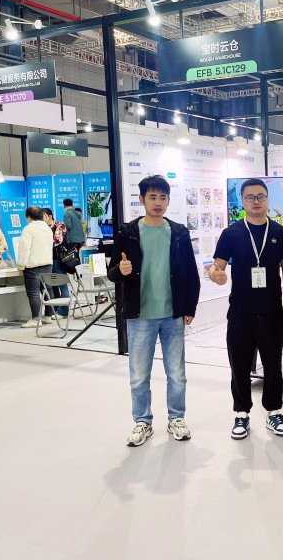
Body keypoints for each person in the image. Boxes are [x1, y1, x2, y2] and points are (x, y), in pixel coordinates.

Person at [107, 175, 199, 447]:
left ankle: (176, 418)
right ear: (142, 199)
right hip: (140, 315)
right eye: (152, 197)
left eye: (163, 197)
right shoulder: (127, 232)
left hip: (173, 314)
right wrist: (121, 270)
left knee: (177, 373)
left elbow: (190, 272)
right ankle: (142, 422)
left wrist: (189, 306)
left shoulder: (179, 232)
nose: (158, 202)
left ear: (168, 200)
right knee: (139, 375)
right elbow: (113, 272)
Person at [210, 178, 283, 440]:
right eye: (250, 197)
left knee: (273, 365)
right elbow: (217, 266)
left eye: (261, 196)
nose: (256, 201)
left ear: (267, 199)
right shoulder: (231, 233)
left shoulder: (279, 232)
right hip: (240, 311)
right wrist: (215, 274)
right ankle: (241, 413)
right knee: (239, 365)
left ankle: (273, 411)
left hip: (271, 311)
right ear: (243, 201)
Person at [16, 206, 54, 328]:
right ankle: (48, 316)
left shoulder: (28, 229)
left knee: (33, 293)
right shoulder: (47, 228)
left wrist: (21, 264)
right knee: (47, 290)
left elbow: (24, 248)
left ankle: (35, 319)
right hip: (47, 264)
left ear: (28, 216)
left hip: (33, 266)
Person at [41, 208, 69, 319]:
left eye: (43, 216)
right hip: (47, 260)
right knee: (53, 286)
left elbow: (57, 240)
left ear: (50, 216)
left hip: (59, 259)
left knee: (62, 285)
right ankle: (56, 309)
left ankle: (63, 311)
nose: (41, 219)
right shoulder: (42, 228)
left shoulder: (59, 225)